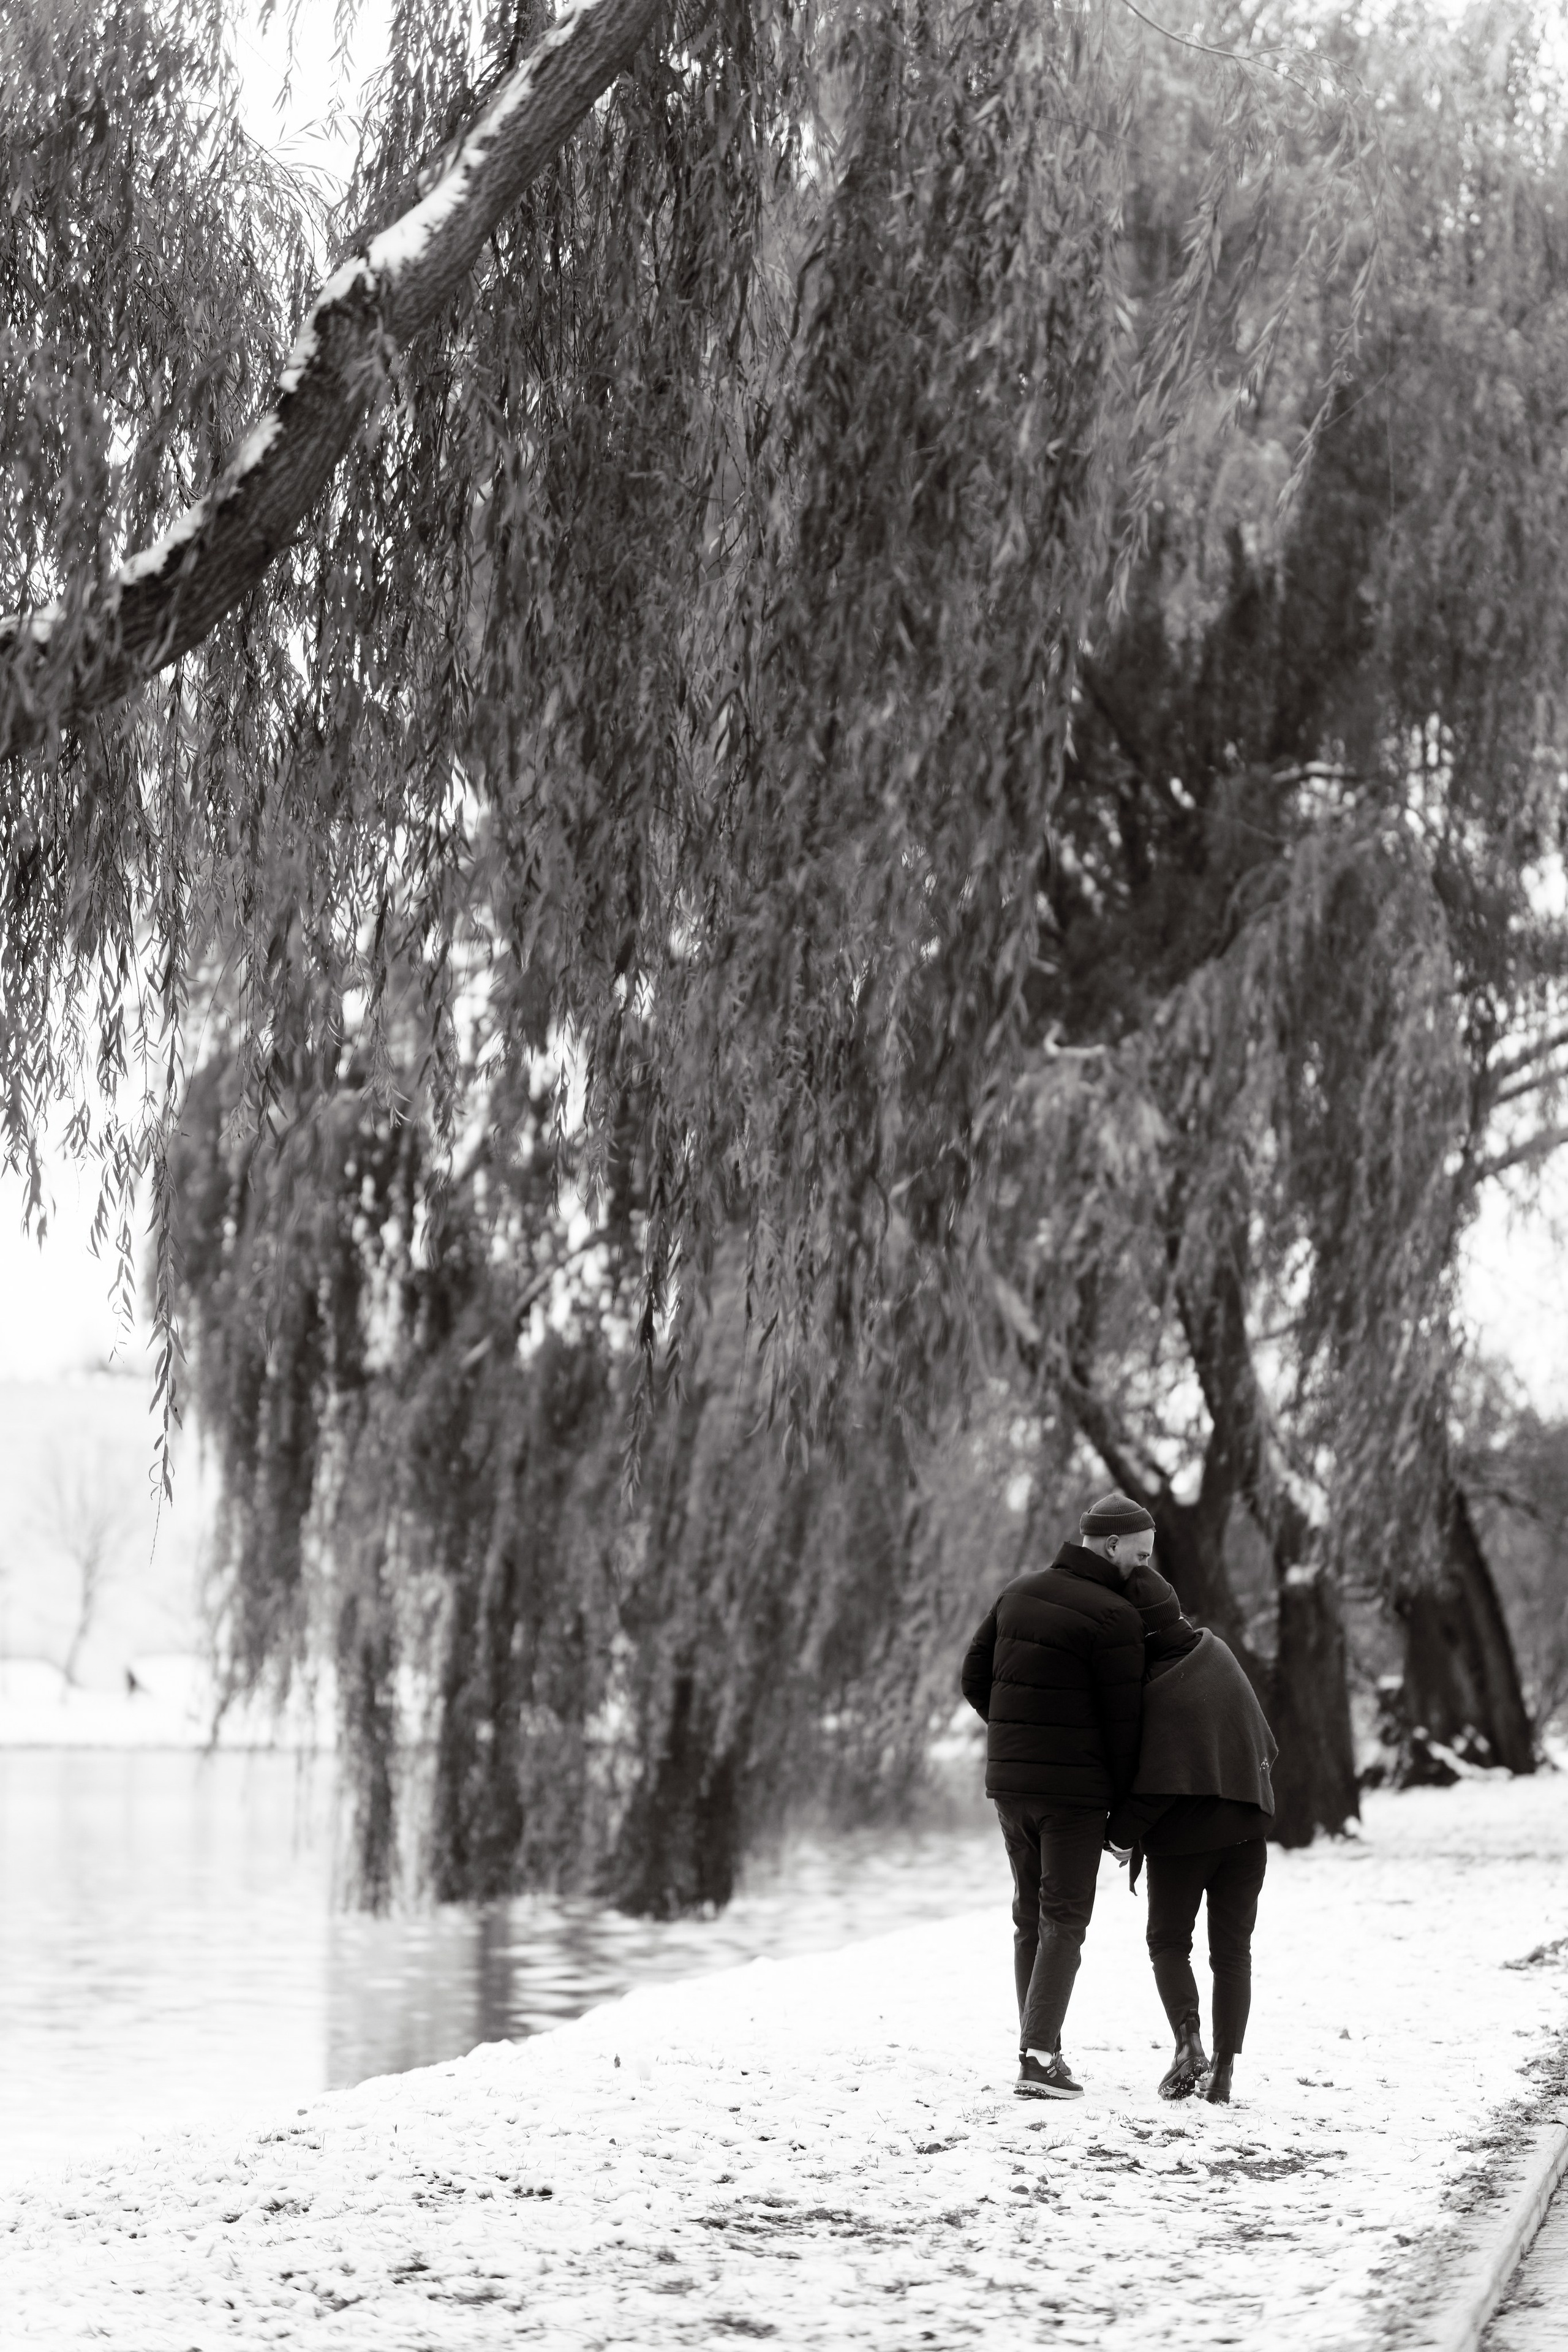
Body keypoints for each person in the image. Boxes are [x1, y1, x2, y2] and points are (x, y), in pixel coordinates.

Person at [961, 1490, 1182, 2101]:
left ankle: (1038, 2046)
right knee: (1064, 1917)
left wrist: (1016, 1739)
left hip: (1010, 1787)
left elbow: (973, 1678)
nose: (1143, 1567)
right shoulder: (1114, 1618)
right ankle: (1038, 2058)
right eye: (1139, 1555)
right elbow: (1124, 1727)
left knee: (1028, 1916)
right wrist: (1123, 1808)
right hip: (1074, 1796)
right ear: (1111, 1545)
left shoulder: (1018, 1592)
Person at [1106, 1603, 1278, 2106]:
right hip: (1247, 1832)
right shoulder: (1217, 1654)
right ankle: (1222, 2071)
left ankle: (1189, 2043)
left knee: (1167, 1943)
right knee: (1232, 1954)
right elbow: (1265, 1741)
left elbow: (1160, 1785)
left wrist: (1120, 1837)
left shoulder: (1158, 1686)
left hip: (1182, 1845)